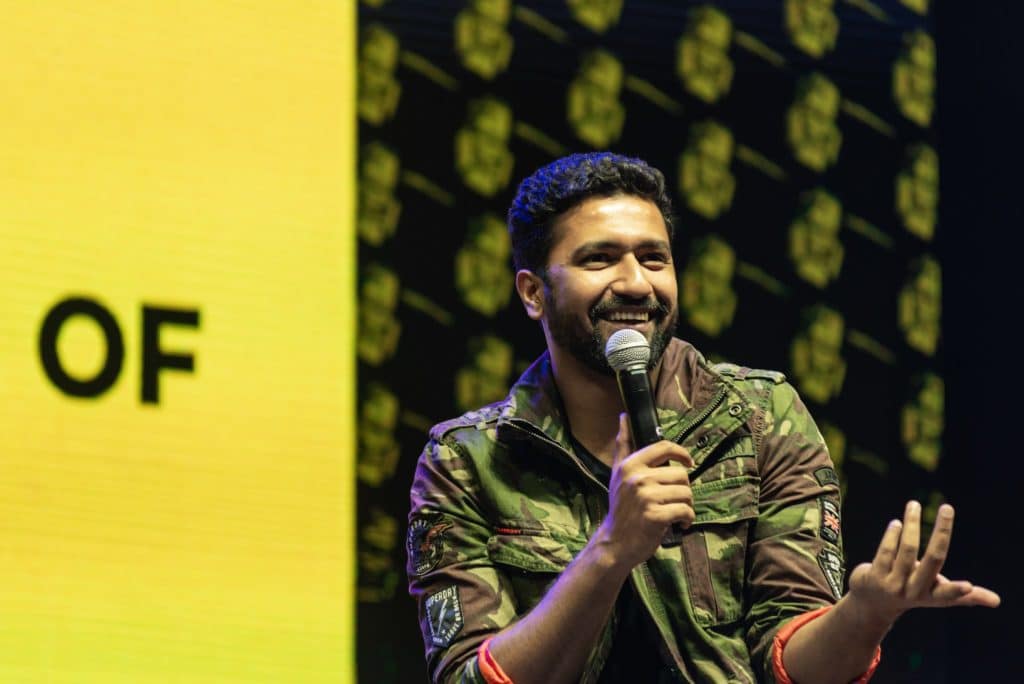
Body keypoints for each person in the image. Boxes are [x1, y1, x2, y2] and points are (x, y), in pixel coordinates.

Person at [405, 152, 999, 683]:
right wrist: (611, 549)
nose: (635, 283)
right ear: (533, 293)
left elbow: (791, 661)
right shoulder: (466, 460)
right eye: (600, 259)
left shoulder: (760, 417)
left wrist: (863, 617)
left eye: (653, 258)